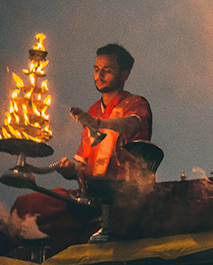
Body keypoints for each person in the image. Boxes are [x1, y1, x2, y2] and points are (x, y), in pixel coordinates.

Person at [11, 44, 152, 251]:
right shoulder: (92, 111)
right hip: (87, 196)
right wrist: (70, 170)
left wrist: (97, 124)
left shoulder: (135, 103)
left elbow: (132, 124)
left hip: (121, 195)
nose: (100, 75)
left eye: (108, 70)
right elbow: (83, 167)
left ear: (124, 75)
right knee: (24, 206)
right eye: (96, 69)